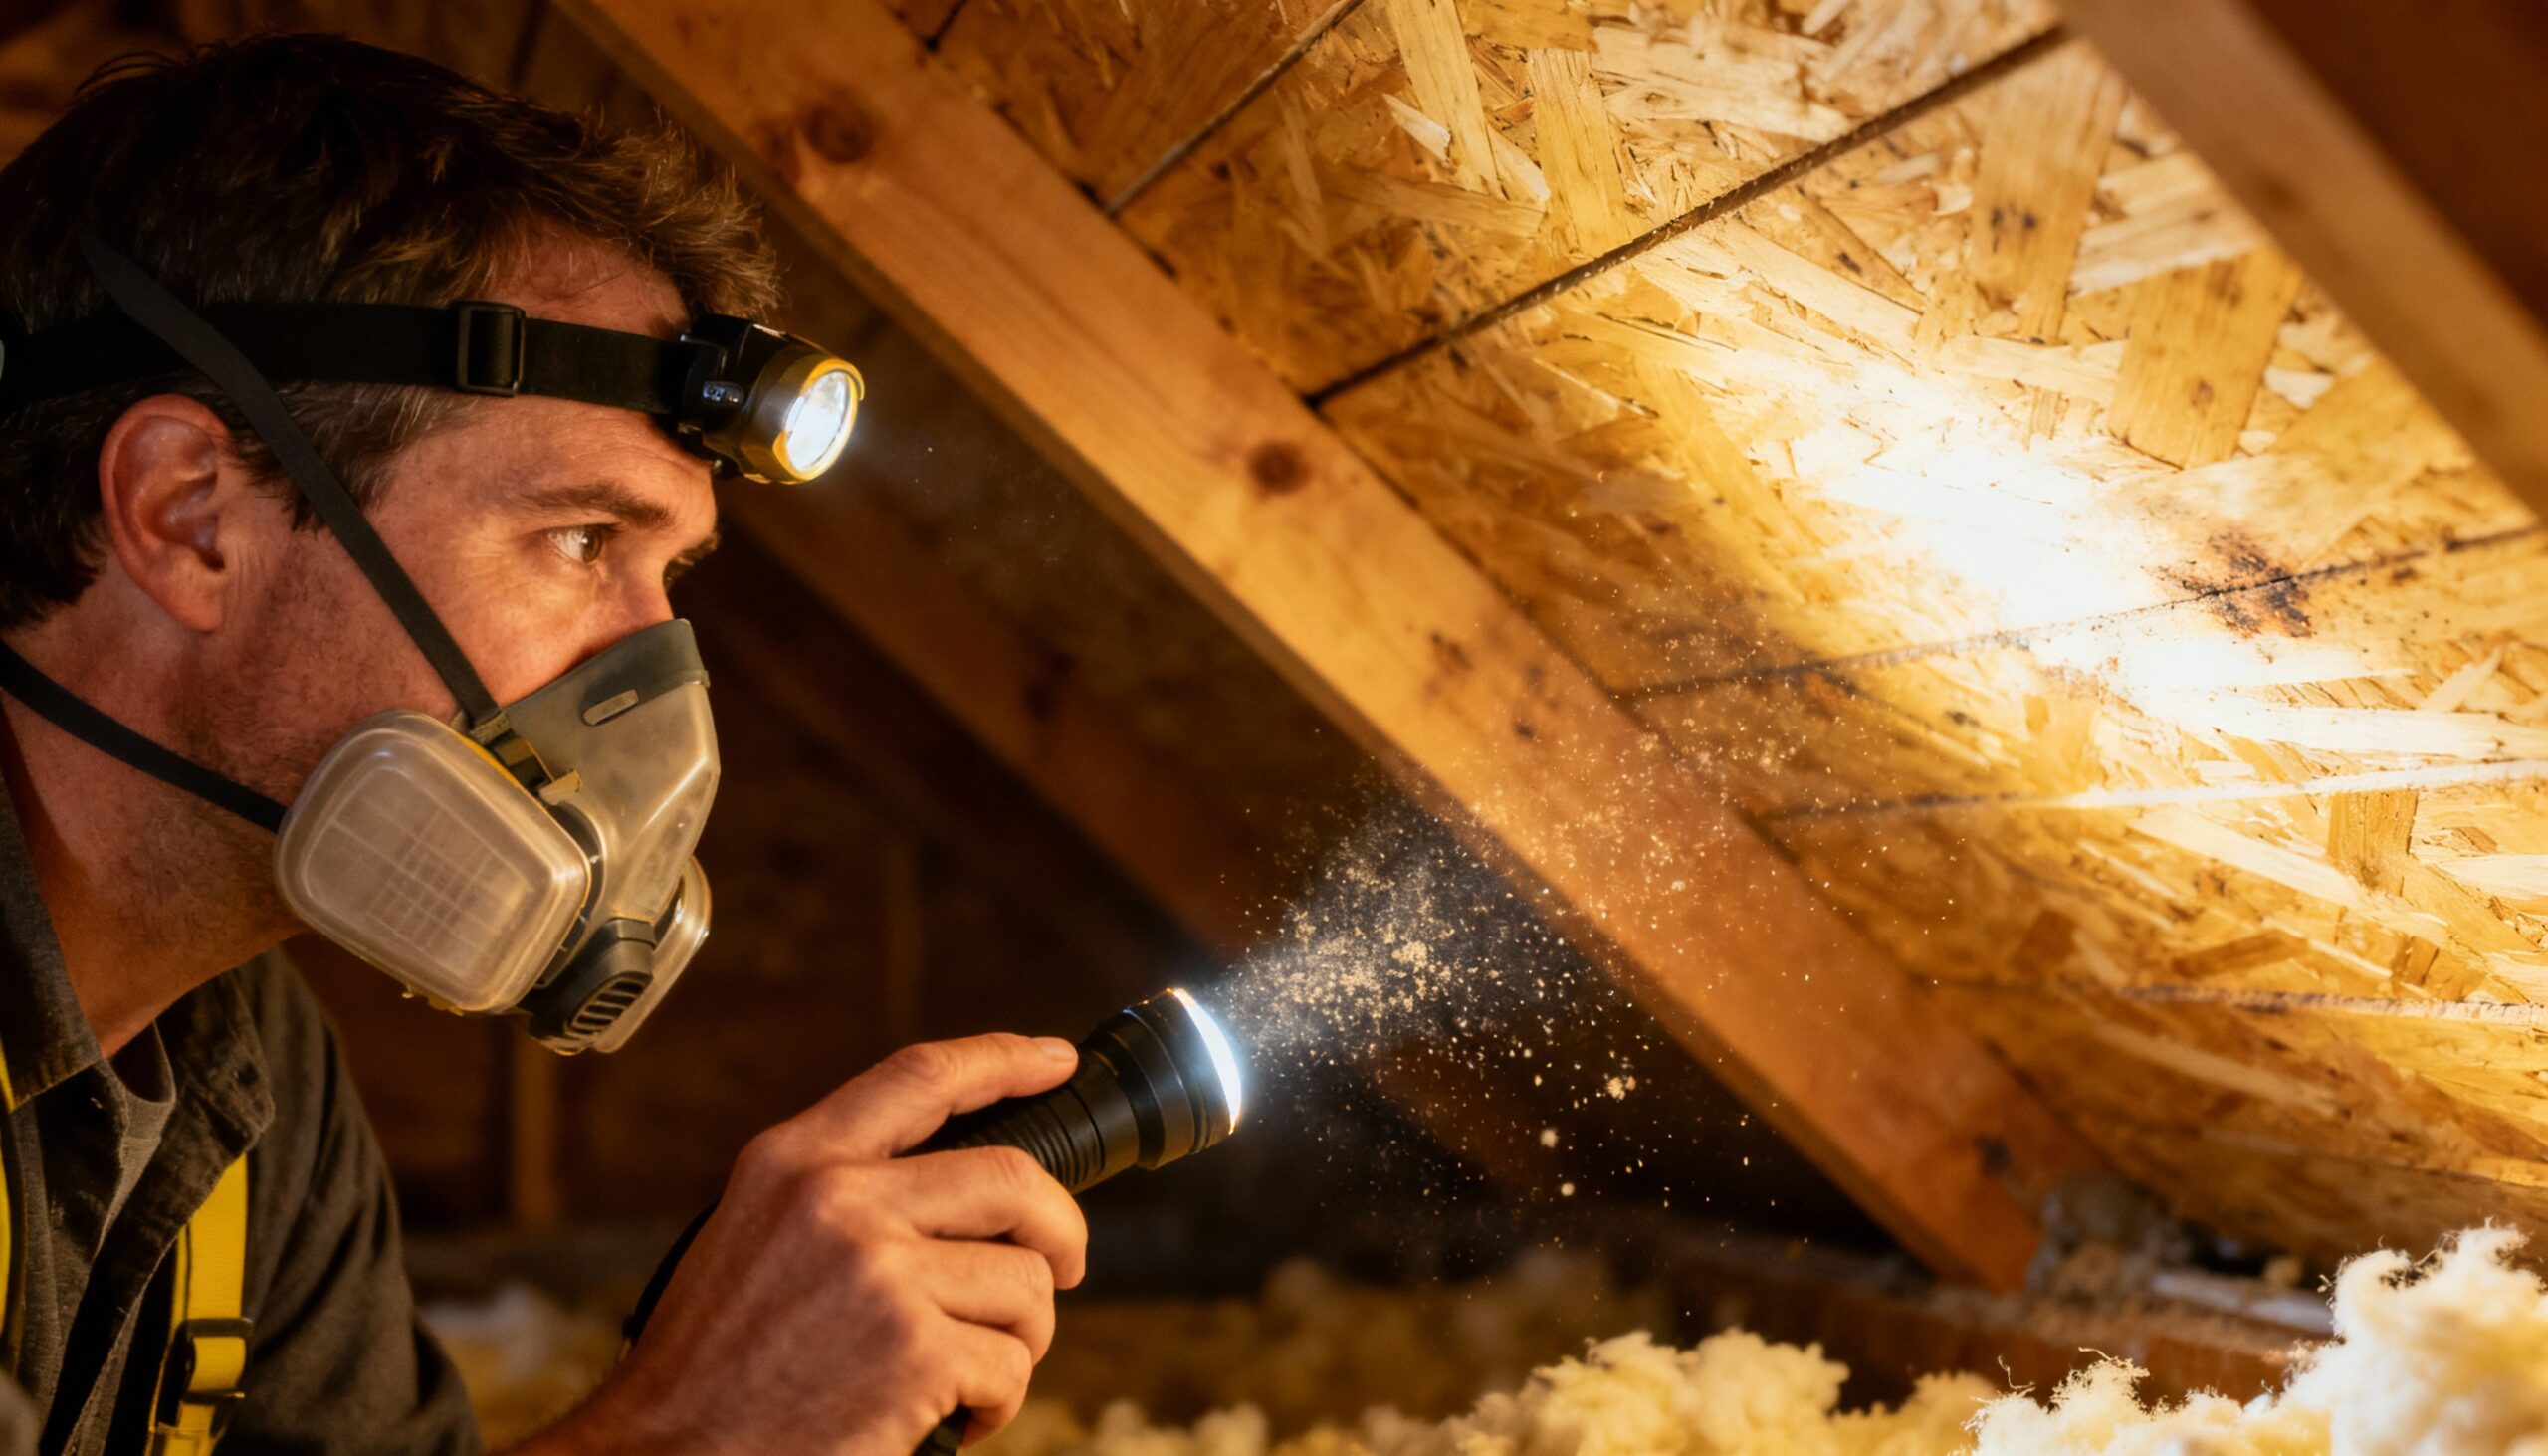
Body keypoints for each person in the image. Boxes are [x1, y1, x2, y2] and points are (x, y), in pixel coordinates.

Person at [0, 33, 1087, 1456]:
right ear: (191, 516)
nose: (654, 675)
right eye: (581, 539)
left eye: (670, 577)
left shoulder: (243, 1074)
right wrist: (689, 1428)